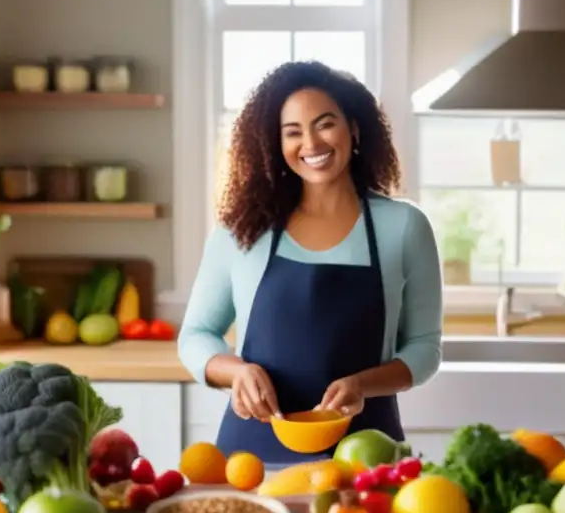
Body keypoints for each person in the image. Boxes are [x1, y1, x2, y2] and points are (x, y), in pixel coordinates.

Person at [178, 61, 443, 466]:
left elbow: (424, 349)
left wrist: (362, 384)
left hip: (366, 459)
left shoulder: (403, 226)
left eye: (324, 124)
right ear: (275, 145)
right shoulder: (243, 232)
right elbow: (196, 335)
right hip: (251, 461)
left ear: (353, 129)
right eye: (293, 132)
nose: (311, 143)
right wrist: (238, 373)